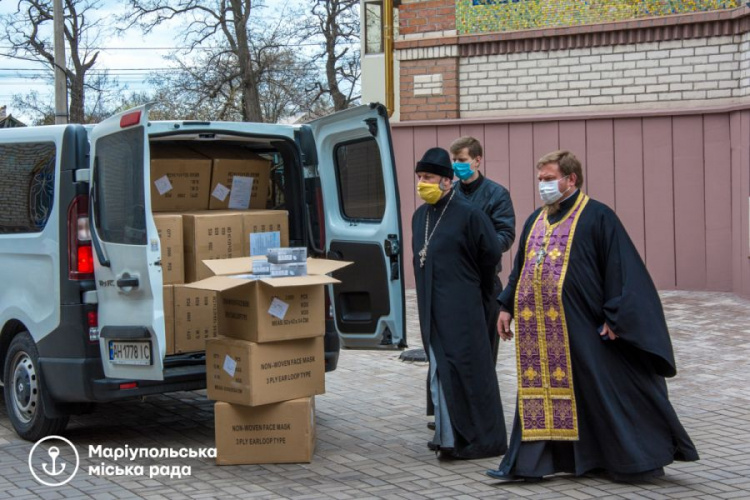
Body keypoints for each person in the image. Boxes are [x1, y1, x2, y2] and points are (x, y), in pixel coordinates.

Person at [486, 150, 699, 482]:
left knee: (600, 391)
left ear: (571, 179)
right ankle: (530, 464)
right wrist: (506, 306)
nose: (543, 185)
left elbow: (622, 268)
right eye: (540, 179)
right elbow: (521, 269)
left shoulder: (598, 216)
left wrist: (616, 317)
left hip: (585, 325)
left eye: (549, 179)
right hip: (540, 331)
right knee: (541, 395)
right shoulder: (536, 220)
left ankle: (630, 460)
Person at [412, 147, 507, 460]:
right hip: (432, 307)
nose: (421, 183)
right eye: (419, 177)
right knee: (441, 371)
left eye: (428, 177)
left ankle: (478, 440)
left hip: (463, 304)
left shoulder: (469, 213)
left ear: (446, 182)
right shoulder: (420, 216)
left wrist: (475, 290)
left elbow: (490, 254)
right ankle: (448, 437)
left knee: (465, 369)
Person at [450, 136, 515, 364]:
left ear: (477, 161)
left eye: (462, 159)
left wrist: (478, 250)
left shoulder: (497, 194)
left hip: (484, 282)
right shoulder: (450, 194)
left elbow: (505, 234)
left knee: (484, 352)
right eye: (454, 160)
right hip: (455, 282)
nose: (457, 165)